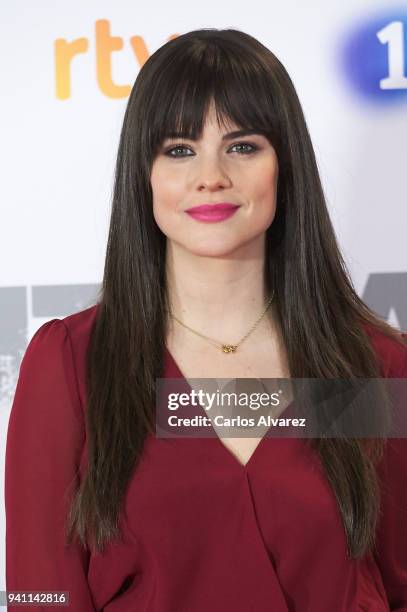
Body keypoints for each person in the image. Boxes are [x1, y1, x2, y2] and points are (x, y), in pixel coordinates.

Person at [5, 27, 407, 611]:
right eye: (179, 149)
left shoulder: (374, 365)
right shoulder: (72, 362)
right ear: (143, 173)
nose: (210, 176)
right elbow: (39, 594)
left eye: (242, 146)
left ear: (283, 165)